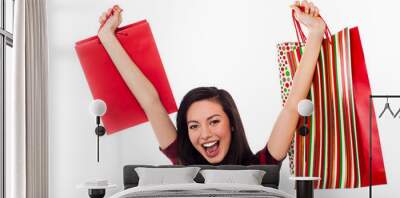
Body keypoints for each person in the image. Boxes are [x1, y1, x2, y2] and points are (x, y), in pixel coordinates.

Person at [97, 1, 326, 166]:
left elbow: (292, 106)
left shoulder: (260, 168)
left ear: (232, 124)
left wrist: (315, 33)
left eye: (214, 121)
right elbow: (150, 102)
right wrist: (107, 37)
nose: (204, 134)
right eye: (194, 126)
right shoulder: (182, 160)